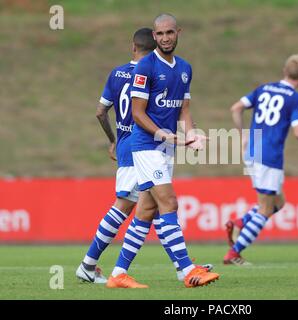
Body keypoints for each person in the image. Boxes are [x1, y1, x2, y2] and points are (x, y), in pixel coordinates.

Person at [76, 28, 212, 284]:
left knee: (151, 208)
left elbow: (100, 111)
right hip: (141, 144)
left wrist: (112, 140)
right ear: (155, 45)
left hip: (130, 141)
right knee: (130, 206)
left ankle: (180, 266)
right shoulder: (150, 72)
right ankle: (89, 263)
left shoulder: (117, 73)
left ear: (133, 46)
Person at [106, 14, 220, 289]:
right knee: (169, 202)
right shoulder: (145, 66)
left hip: (166, 147)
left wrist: (191, 134)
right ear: (154, 37)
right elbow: (137, 113)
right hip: (145, 145)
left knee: (146, 210)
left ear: (178, 32)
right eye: (160, 34)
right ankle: (187, 270)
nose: (166, 37)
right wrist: (162, 134)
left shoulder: (184, 69)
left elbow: (184, 110)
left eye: (170, 32)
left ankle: (118, 274)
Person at [223, 53, 298, 265]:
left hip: (252, 152)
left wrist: (242, 135)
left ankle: (239, 222)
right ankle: (234, 253)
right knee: (266, 209)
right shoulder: (295, 98)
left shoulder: (263, 89)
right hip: (270, 157)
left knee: (278, 202)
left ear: (285, 71)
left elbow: (236, 108)